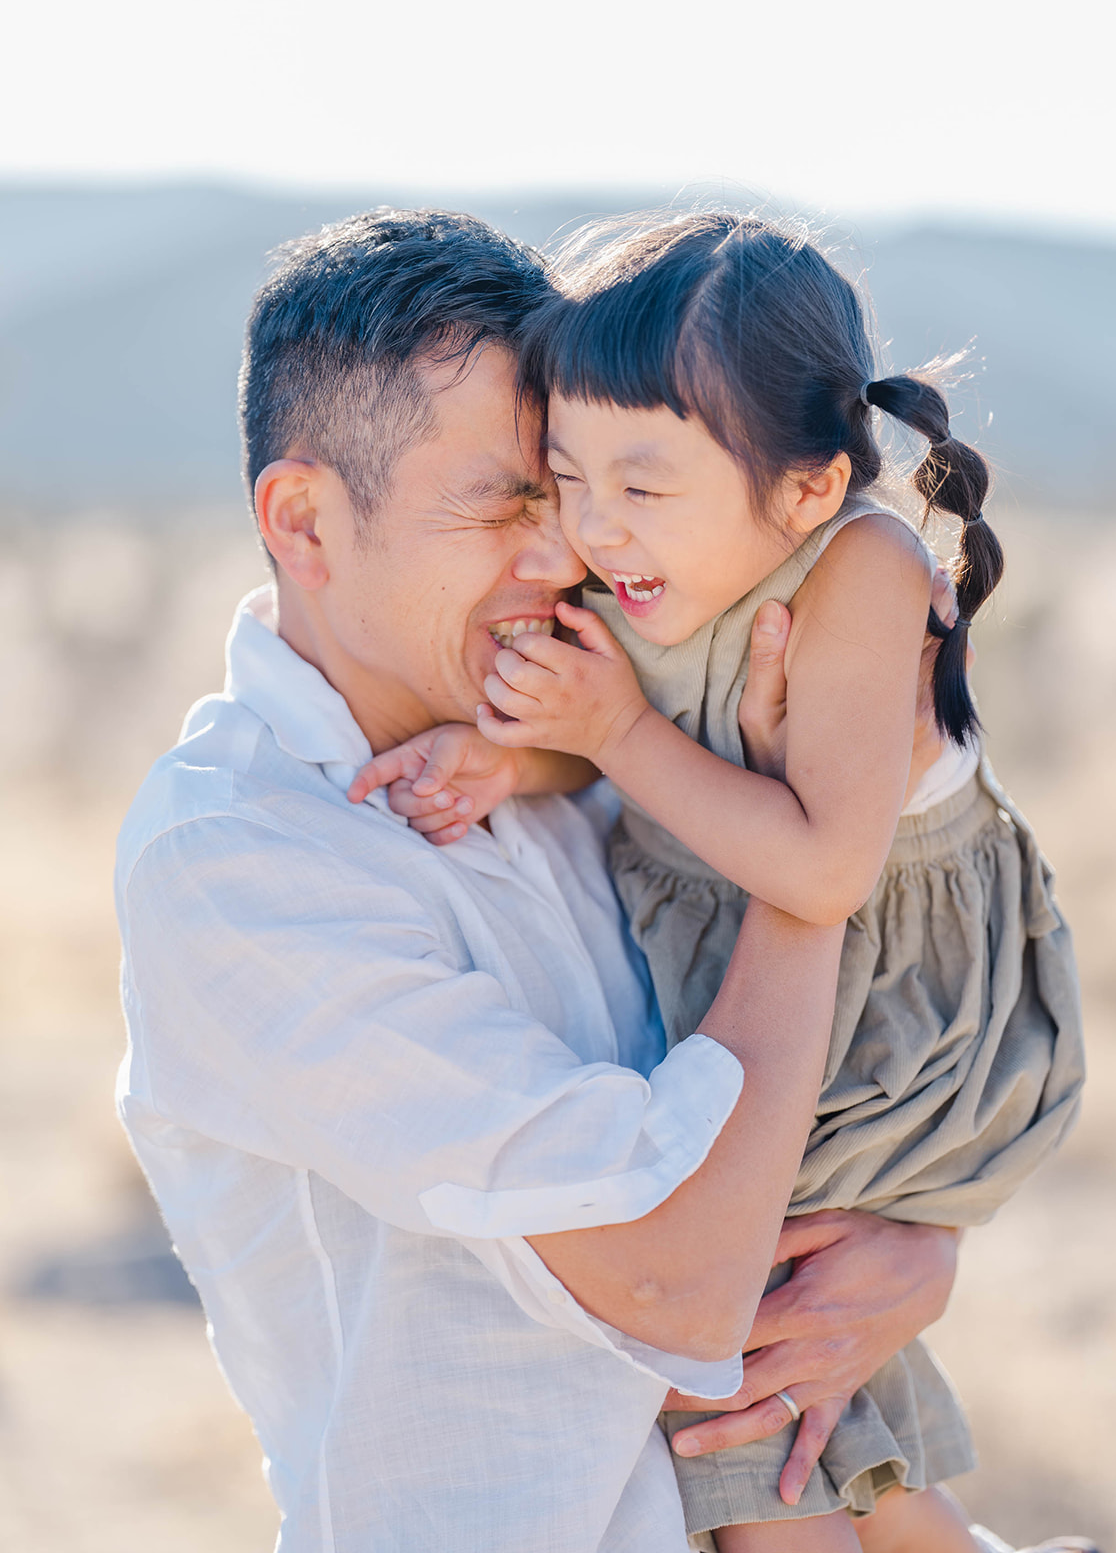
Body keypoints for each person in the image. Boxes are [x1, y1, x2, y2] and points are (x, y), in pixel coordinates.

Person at [114, 208, 963, 1553]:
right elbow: (677, 1279)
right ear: (305, 520)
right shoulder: (237, 863)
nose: (564, 554)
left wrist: (909, 1250)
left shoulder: (573, 721)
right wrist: (810, 854)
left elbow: (799, 1118)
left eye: (563, 494)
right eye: (504, 505)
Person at [352, 213, 1089, 1553]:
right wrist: (514, 763)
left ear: (805, 489)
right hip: (769, 977)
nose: (594, 526)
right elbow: (614, 761)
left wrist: (611, 731)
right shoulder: (647, 570)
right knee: (788, 1371)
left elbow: (823, 865)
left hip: (899, 1007)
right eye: (566, 476)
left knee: (738, 1381)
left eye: (643, 485)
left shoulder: (860, 568)